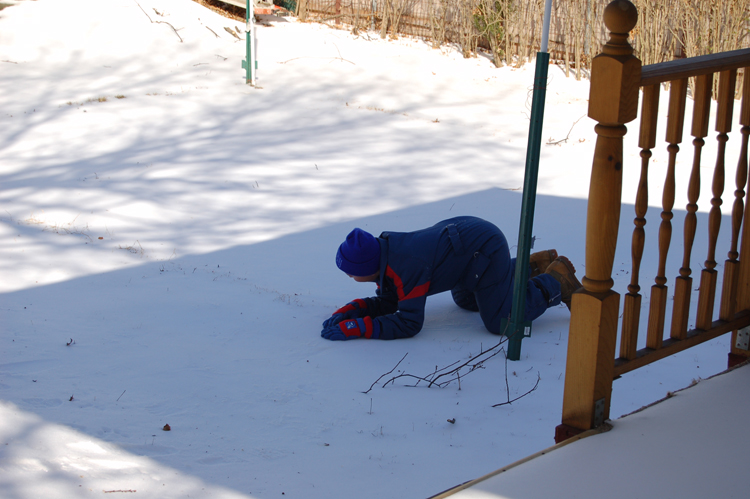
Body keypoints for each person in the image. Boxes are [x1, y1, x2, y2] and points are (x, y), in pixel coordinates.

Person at [320, 216, 582, 341]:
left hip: (484, 246)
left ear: (368, 267)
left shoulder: (406, 267)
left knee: (499, 321)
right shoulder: (385, 254)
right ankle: (531, 265)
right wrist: (353, 311)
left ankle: (555, 281)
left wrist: (358, 328)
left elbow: (409, 322)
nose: (348, 275)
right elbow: (392, 302)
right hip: (466, 256)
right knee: (466, 301)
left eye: (351, 271)